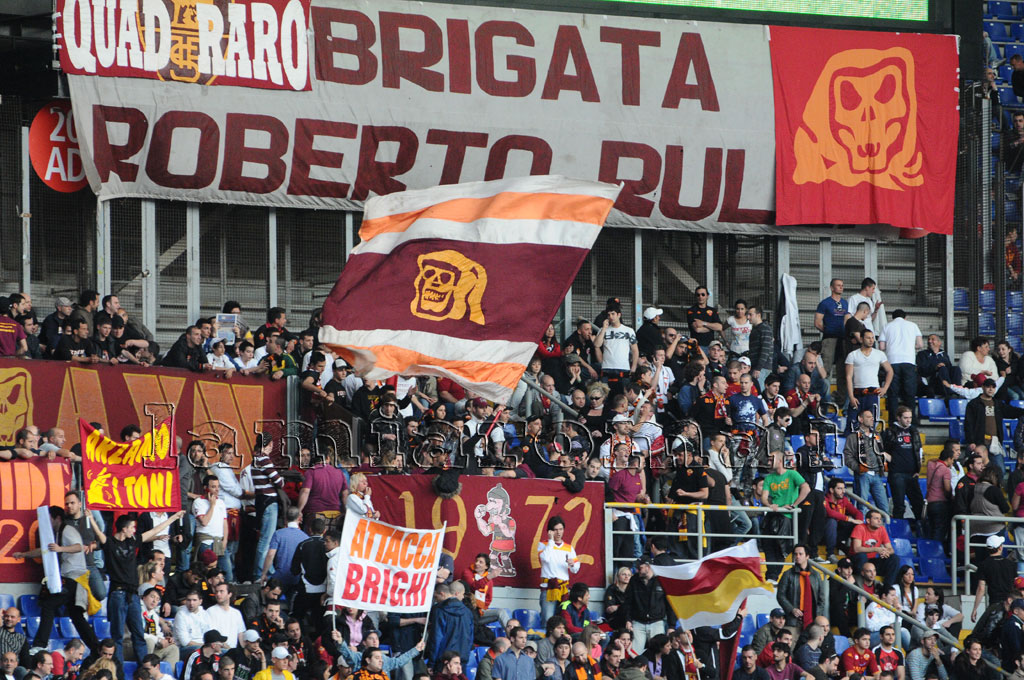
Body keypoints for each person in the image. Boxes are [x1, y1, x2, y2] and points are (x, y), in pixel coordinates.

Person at [94, 510, 185, 664]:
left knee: (139, 635)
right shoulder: (110, 543)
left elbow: (154, 531)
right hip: (117, 594)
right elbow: (101, 537)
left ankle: (145, 669)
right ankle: (120, 672)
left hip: (133, 595)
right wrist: (90, 518)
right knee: (117, 636)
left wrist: (174, 518)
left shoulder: (132, 541)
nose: (134, 530)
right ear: (124, 529)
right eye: (132, 527)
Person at [11, 506, 100, 652]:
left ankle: (40, 644)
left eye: (50, 519)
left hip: (74, 577)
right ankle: (96, 649)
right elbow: (46, 550)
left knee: (49, 605)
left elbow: (79, 547)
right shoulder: (58, 533)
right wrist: (24, 554)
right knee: (76, 616)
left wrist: (61, 549)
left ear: (57, 518)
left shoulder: (67, 530)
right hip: (72, 578)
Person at [761, 451, 809, 580]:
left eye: (772, 459)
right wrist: (770, 505)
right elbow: (764, 497)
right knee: (769, 546)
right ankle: (771, 577)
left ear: (780, 461)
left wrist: (794, 504)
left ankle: (773, 576)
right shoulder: (768, 478)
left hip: (786, 518)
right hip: (772, 516)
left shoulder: (792, 474)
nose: (769, 462)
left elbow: (806, 488)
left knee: (781, 549)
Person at [883, 405, 925, 526]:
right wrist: (892, 459)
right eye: (905, 417)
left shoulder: (914, 431)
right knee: (899, 506)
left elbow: (919, 450)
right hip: (897, 474)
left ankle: (920, 529)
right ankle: (898, 530)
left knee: (919, 504)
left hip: (912, 474)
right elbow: (880, 449)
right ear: (898, 418)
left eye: (910, 418)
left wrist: (918, 469)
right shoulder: (890, 432)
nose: (908, 420)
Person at [844, 409, 890, 515]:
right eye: (868, 417)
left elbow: (881, 452)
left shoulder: (877, 435)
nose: (872, 419)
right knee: (862, 508)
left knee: (884, 508)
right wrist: (859, 468)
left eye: (872, 417)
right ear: (860, 419)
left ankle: (882, 531)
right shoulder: (853, 437)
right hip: (863, 476)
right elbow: (848, 457)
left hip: (877, 475)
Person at [537, 516, 581, 620]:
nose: (558, 532)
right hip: (549, 587)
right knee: (547, 620)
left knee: (564, 620)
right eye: (555, 530)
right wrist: (551, 541)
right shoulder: (543, 544)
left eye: (561, 529)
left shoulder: (569, 547)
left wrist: (572, 564)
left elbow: (575, 570)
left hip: (564, 589)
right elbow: (545, 559)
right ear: (550, 531)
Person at [776, 545, 828, 633]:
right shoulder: (787, 574)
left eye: (800, 554)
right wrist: (792, 609)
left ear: (807, 556)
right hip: (793, 620)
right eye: (795, 554)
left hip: (812, 620)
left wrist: (817, 614)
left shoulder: (816, 575)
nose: (797, 556)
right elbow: (780, 595)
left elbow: (821, 598)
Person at [622, 557, 668, 654]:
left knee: (658, 652)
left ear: (648, 567)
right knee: (633, 653)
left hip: (657, 621)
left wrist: (671, 625)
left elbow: (669, 603)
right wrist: (628, 619)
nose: (637, 569)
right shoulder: (634, 580)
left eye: (640, 567)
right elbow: (628, 602)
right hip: (638, 622)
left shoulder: (661, 579)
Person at [595, 302, 639, 394]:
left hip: (623, 368)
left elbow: (635, 350)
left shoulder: (629, 331)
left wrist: (634, 367)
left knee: (623, 396)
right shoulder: (603, 330)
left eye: (613, 314)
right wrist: (603, 329)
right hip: (607, 368)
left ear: (619, 315)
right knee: (604, 397)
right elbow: (597, 345)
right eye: (609, 314)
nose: (611, 316)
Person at [427, 584, 473, 669]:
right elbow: (470, 638)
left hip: (444, 661)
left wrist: (431, 663)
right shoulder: (468, 612)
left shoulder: (439, 611)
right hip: (461, 660)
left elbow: (437, 638)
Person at [850, 509, 898, 585]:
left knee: (894, 558)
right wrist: (875, 549)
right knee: (862, 556)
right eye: (876, 518)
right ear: (868, 520)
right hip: (857, 561)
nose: (879, 521)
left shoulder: (882, 529)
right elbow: (857, 549)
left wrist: (885, 552)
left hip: (872, 562)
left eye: (880, 519)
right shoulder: (859, 528)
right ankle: (862, 588)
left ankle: (887, 590)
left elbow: (891, 549)